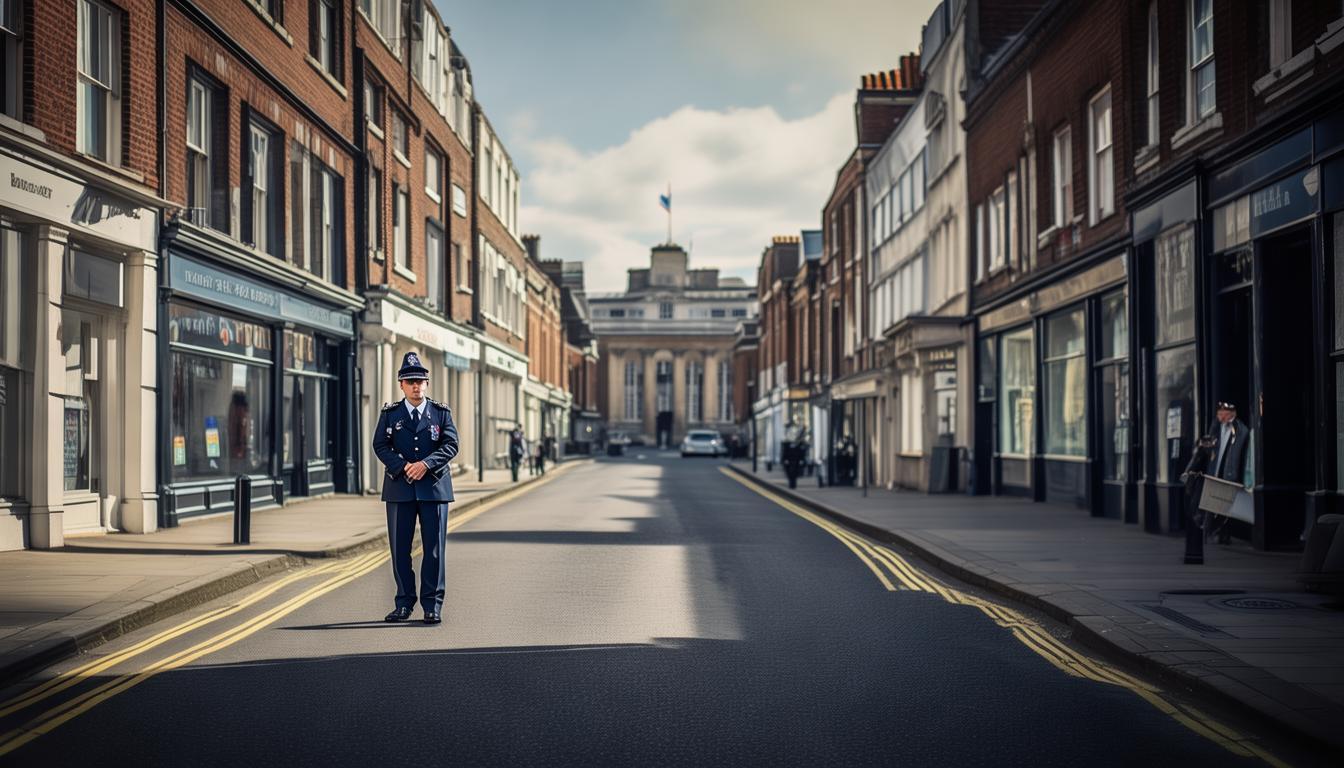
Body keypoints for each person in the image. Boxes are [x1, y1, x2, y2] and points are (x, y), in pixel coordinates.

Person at [371, 352, 458, 625]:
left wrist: (426, 464)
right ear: (401, 385)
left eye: (420, 380)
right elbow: (380, 445)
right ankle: (404, 603)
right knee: (400, 549)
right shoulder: (390, 414)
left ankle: (432, 605)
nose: (416, 385)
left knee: (434, 550)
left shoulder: (441, 413)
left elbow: (451, 445)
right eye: (410, 381)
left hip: (434, 489)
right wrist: (402, 466)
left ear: (427, 383)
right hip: (400, 488)